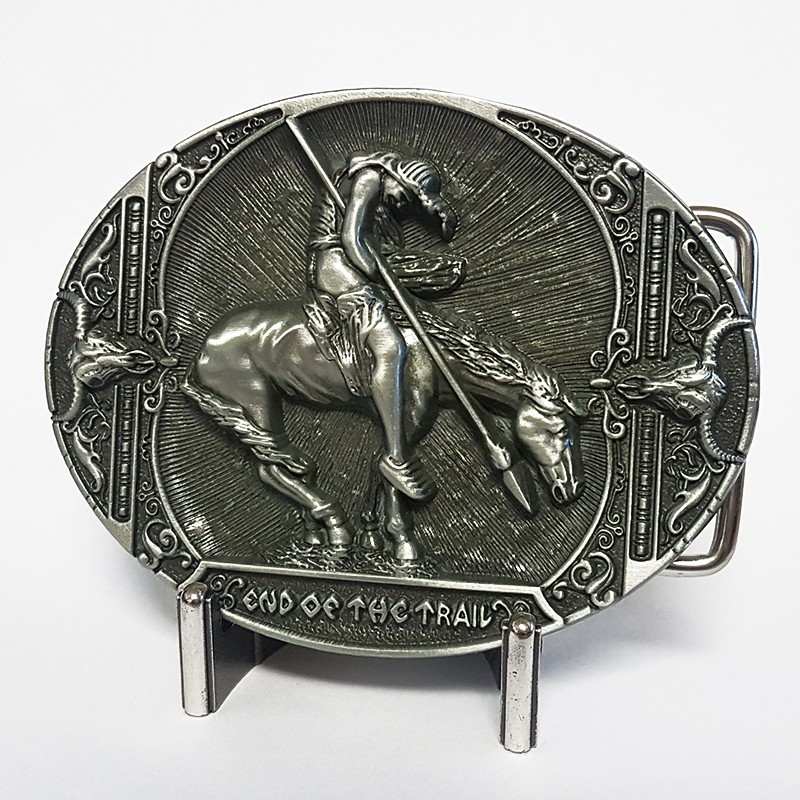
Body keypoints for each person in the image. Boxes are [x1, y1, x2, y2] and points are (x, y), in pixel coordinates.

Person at [304, 151, 457, 502]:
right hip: (336, 265)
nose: (400, 204)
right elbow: (351, 238)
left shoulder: (375, 181)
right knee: (391, 348)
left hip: (353, 264)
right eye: (403, 196)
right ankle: (397, 457)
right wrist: (380, 276)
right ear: (397, 177)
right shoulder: (370, 178)